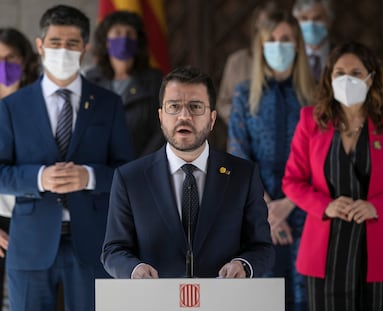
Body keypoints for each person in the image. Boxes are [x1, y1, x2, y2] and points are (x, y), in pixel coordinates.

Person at [0, 5, 133, 311]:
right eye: (55, 43)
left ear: (85, 48)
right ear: (39, 46)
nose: (63, 50)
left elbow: (127, 171)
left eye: (72, 44)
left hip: (93, 244)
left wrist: (90, 176)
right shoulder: (12, 107)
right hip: (30, 246)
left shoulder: (108, 104)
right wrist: (38, 178)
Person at [101, 66, 274, 279]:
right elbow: (113, 250)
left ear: (212, 119)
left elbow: (262, 247)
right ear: (161, 117)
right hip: (156, 301)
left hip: (223, 300)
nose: (184, 116)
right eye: (174, 106)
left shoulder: (243, 175)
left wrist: (244, 265)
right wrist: (133, 269)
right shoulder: (129, 179)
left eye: (195, 106)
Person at [282, 42, 383, 310]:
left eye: (355, 73)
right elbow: (292, 182)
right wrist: (325, 206)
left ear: (371, 77)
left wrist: (376, 207)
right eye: (339, 73)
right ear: (329, 78)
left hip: (380, 254)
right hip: (325, 254)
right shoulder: (311, 120)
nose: (346, 79)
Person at [227, 10, 315, 311]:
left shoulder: (315, 97)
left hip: (306, 210)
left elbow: (322, 158)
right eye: (272, 40)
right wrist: (267, 209)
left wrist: (287, 204)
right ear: (261, 46)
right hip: (257, 212)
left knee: (304, 295)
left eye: (286, 39)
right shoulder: (243, 95)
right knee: (264, 298)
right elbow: (239, 155)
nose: (279, 46)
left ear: (298, 45)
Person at [86, 10, 164, 158]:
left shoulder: (155, 80)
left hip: (143, 168)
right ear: (106, 41)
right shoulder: (90, 80)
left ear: (138, 42)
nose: (124, 39)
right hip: (100, 170)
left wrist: (140, 166)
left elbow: (161, 130)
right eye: (117, 33)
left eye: (129, 34)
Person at [0, 27, 39, 310]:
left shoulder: (42, 104)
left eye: (10, 58)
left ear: (25, 60)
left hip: (36, 220)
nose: (4, 67)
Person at [216, 0, 278, 124]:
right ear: (255, 26)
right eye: (263, 25)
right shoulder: (237, 61)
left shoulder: (285, 60)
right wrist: (241, 118)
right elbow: (223, 103)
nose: (266, 32)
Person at [292, 0, 333, 81]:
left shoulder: (341, 55)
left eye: (317, 18)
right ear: (297, 22)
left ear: (329, 21)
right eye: (304, 18)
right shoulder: (289, 57)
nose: (311, 24)